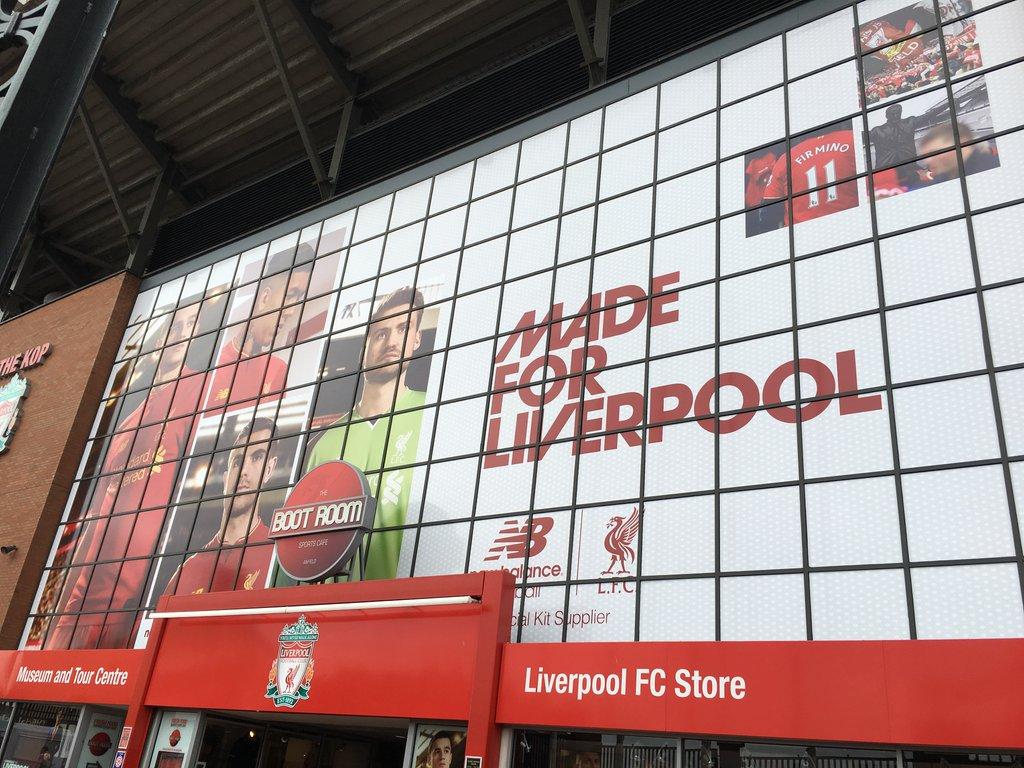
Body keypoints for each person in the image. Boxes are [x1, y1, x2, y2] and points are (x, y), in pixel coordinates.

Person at [44, 301, 207, 650]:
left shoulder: (200, 389)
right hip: (90, 572)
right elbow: (101, 499)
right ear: (160, 334)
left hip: (134, 576)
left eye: (191, 324)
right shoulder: (129, 415)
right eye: (175, 325)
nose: (181, 334)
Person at [304, 287, 427, 581]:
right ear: (363, 352)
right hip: (333, 610)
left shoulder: (433, 414)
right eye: (381, 334)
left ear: (417, 339)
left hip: (408, 604)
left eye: (403, 328)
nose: (392, 341)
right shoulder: (324, 441)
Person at [166, 418, 280, 595]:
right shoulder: (186, 572)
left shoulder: (278, 558)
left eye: (257, 457)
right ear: (226, 478)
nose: (243, 471)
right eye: (237, 462)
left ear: (269, 470)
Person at [918, 123, 999, 183]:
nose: (927, 161)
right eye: (926, 156)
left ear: (962, 141)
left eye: (934, 153)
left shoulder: (994, 169)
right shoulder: (943, 178)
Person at [869, 103, 924, 187]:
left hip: (910, 170)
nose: (895, 115)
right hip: (886, 174)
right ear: (887, 116)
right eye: (893, 114)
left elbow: (930, 115)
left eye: (897, 113)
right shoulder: (877, 131)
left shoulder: (910, 122)